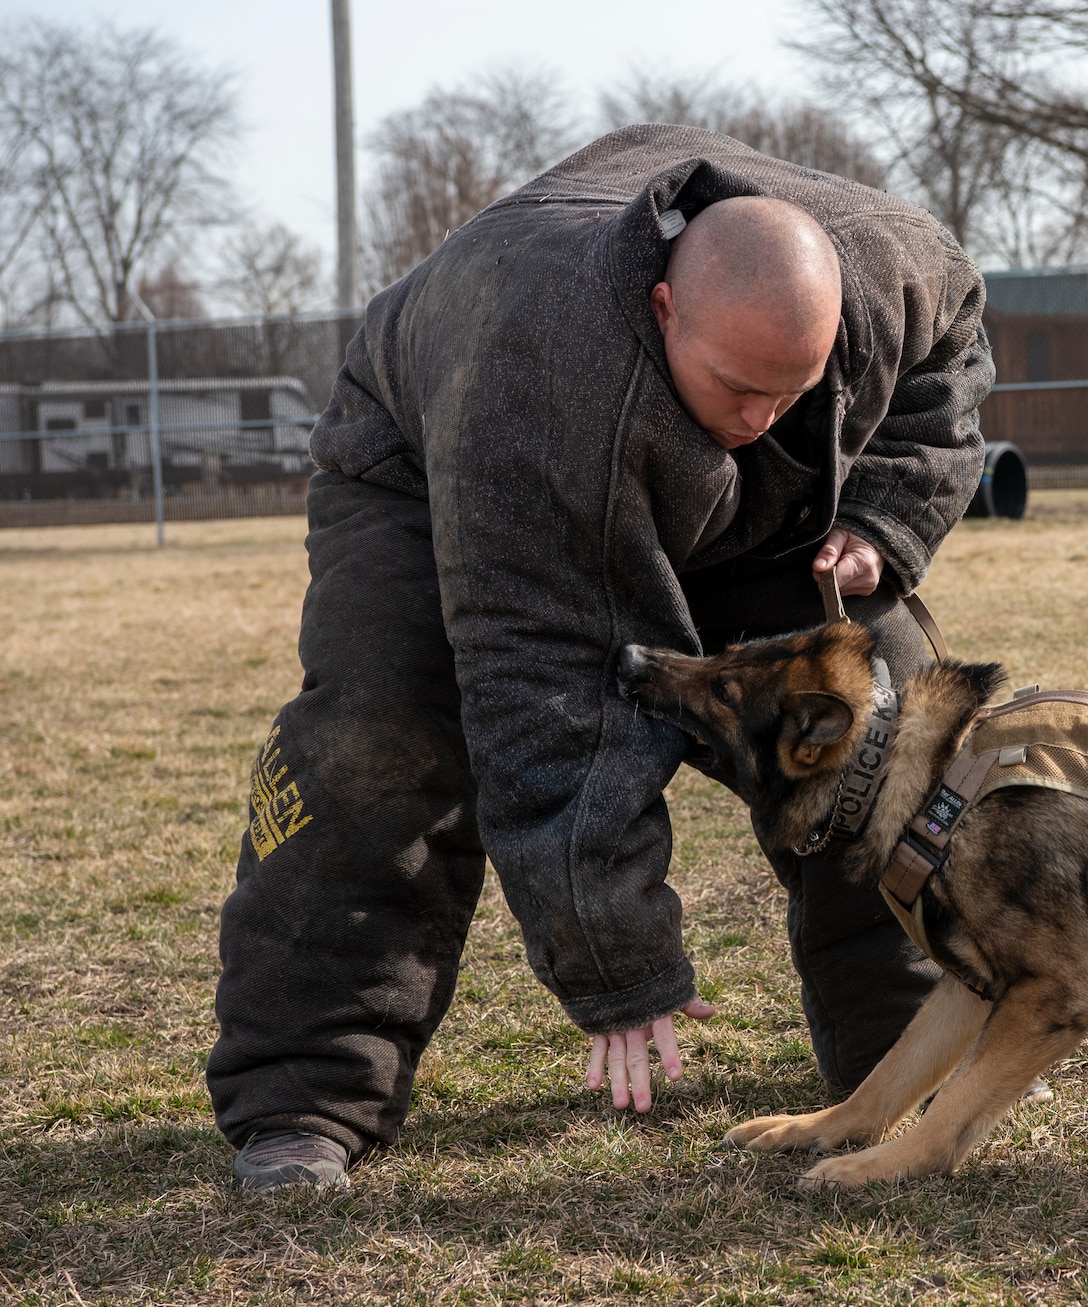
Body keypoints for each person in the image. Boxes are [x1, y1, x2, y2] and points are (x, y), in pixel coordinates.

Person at [206, 125, 994, 1191]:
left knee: (886, 730)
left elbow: (942, 379)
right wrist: (621, 966)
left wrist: (884, 518)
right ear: (666, 305)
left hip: (751, 514)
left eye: (791, 393)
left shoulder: (897, 269)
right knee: (377, 733)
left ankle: (898, 1069)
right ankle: (303, 1098)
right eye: (738, 388)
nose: (763, 419)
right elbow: (544, 688)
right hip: (432, 458)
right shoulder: (539, 371)